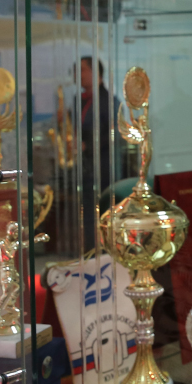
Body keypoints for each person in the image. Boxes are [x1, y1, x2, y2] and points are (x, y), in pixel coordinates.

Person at [79, 55, 117, 250]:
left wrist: (88, 145)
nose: (79, 75)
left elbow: (113, 133)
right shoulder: (81, 100)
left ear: (96, 73)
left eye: (83, 70)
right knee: (87, 212)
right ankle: (90, 251)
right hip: (85, 166)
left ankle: (105, 250)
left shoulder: (108, 101)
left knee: (103, 211)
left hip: (102, 166)